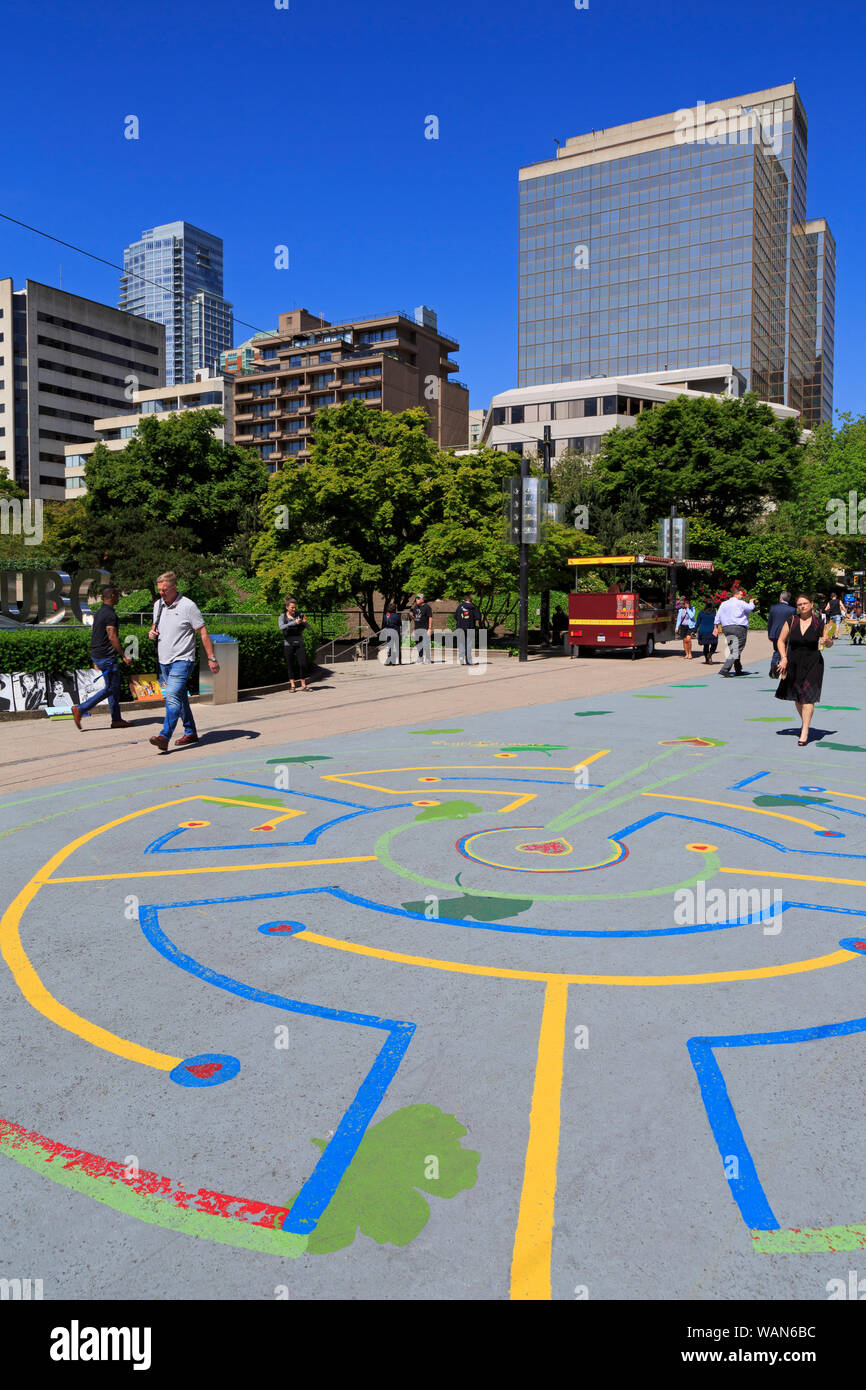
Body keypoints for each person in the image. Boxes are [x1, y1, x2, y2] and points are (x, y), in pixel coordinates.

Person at [147, 572, 219, 753]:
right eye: (159, 590)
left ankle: (164, 736)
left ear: (174, 588)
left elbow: (202, 632)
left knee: (171, 696)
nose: (161, 593)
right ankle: (190, 731)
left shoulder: (188, 606)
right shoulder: (158, 605)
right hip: (164, 660)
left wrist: (211, 657)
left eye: (164, 590)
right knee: (179, 697)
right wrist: (151, 633)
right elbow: (155, 627)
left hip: (183, 660)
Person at [71, 584, 132, 730]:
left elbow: (96, 635)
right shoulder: (110, 614)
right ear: (111, 596)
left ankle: (116, 720)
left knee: (114, 688)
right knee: (111, 688)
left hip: (99, 654)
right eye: (117, 594)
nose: (118, 597)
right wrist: (124, 655)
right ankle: (81, 709)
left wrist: (94, 658)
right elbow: (112, 636)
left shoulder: (99, 612)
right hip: (107, 656)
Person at [775, 593, 833, 745]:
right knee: (798, 698)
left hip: (814, 663)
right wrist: (783, 657)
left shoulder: (819, 623)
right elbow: (781, 641)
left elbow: (828, 643)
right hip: (793, 662)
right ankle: (805, 722)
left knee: (808, 698)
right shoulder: (792, 620)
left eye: (805, 603)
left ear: (811, 604)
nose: (802, 606)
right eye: (799, 604)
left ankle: (805, 730)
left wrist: (827, 641)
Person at [714, 586, 756, 676]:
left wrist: (716, 627)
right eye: (741, 595)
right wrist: (751, 602)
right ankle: (725, 669)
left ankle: (738, 668)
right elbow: (750, 608)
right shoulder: (740, 603)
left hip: (727, 628)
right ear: (736, 595)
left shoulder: (724, 603)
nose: (742, 596)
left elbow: (718, 615)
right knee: (737, 649)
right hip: (739, 627)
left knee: (733, 648)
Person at [279, 597, 309, 691]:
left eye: (295, 607)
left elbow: (307, 627)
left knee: (303, 663)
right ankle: (292, 686)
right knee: (290, 664)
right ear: (287, 607)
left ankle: (303, 685)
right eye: (292, 607)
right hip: (288, 643)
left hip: (299, 642)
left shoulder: (299, 615)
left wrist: (304, 622)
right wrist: (293, 622)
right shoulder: (282, 617)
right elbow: (281, 627)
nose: (294, 609)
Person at [766, 590, 796, 679]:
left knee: (776, 650)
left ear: (780, 598)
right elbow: (793, 623)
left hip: (775, 633)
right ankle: (782, 669)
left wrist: (769, 634)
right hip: (786, 634)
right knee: (785, 651)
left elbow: (770, 622)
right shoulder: (792, 610)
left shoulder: (773, 608)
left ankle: (774, 666)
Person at [455, 593, 482, 665]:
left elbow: (455, 617)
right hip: (470, 627)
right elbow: (477, 618)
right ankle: (468, 660)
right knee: (469, 645)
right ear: (471, 600)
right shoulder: (474, 607)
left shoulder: (460, 606)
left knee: (461, 643)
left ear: (464, 600)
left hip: (460, 627)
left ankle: (461, 658)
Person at [411, 592, 433, 664]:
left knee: (426, 644)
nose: (416, 600)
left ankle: (428, 659)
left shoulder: (427, 607)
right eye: (416, 598)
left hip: (425, 628)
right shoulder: (415, 607)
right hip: (417, 628)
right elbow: (416, 618)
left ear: (422, 599)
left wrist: (429, 628)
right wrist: (411, 616)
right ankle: (420, 657)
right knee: (418, 644)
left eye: (418, 598)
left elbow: (430, 617)